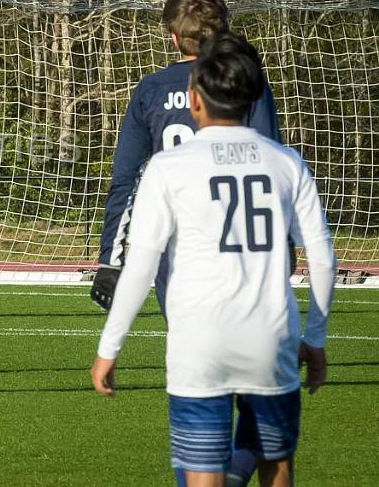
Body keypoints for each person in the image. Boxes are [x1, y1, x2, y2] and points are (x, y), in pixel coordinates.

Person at [90, 34, 337, 487]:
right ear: (251, 98)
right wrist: (315, 339)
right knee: (276, 463)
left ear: (194, 99)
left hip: (198, 341)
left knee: (204, 477)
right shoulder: (287, 163)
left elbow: (141, 266)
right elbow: (322, 259)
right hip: (271, 337)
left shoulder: (168, 167)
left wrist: (109, 348)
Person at [91, 0, 282, 314]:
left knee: (191, 356)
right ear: (223, 31)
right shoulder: (248, 81)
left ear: (174, 37)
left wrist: (110, 259)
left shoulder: (152, 90)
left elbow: (126, 179)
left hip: (179, 254)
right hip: (242, 246)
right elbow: (271, 166)